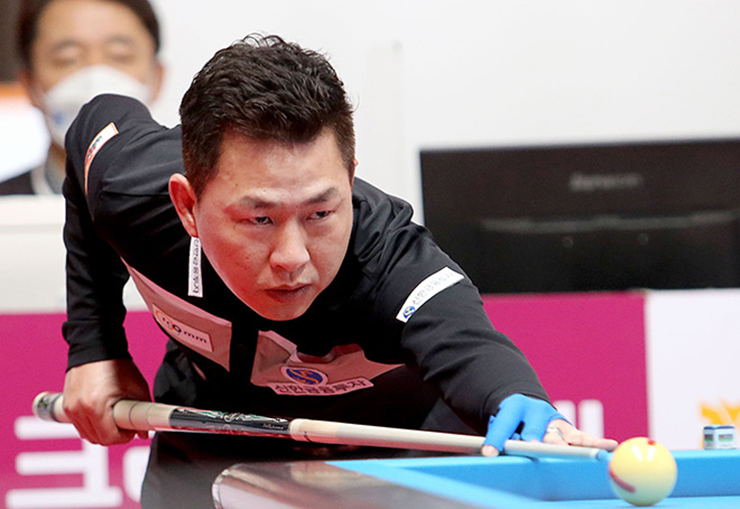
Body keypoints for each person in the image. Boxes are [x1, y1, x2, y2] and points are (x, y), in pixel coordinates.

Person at [60, 34, 617, 508]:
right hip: (211, 431)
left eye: (321, 214)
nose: (293, 257)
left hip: (398, 453)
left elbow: (473, 351)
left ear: (349, 180)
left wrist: (531, 412)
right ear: (187, 206)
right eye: (259, 219)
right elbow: (93, 121)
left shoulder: (391, 264)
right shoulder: (132, 191)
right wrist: (95, 348)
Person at [0, 0, 163, 195]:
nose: (95, 75)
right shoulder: (6, 206)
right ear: (28, 83)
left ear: (158, 78)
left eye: (120, 56)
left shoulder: (189, 203)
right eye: (67, 59)